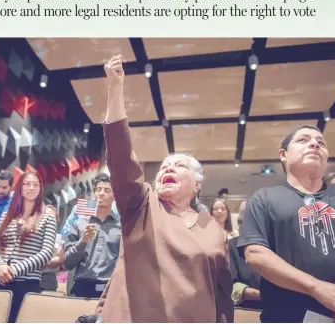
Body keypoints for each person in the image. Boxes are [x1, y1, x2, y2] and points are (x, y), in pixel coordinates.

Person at [96, 55, 233, 322]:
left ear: (197, 183)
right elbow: (121, 158)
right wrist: (115, 89)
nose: (167, 169)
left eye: (178, 165)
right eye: (164, 166)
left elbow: (222, 291)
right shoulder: (142, 204)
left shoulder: (213, 227)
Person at [237, 124, 335, 323]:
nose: (315, 145)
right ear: (283, 154)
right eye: (303, 140)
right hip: (287, 316)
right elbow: (255, 253)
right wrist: (318, 288)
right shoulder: (264, 198)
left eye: (320, 143)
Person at [0, 171, 57, 323]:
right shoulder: (7, 214)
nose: (31, 188)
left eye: (35, 185)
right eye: (27, 184)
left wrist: (14, 270)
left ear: (40, 188)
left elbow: (46, 252)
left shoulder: (47, 217)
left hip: (26, 283)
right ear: (20, 187)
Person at [64, 173, 121, 298]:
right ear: (94, 194)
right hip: (81, 289)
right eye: (98, 190)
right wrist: (83, 241)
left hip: (110, 291)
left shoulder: (121, 228)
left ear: (114, 196)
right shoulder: (79, 223)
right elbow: (67, 263)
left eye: (107, 190)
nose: (101, 193)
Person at [229, 201, 262, 310]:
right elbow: (232, 287)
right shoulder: (233, 245)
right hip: (246, 311)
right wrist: (264, 296)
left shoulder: (274, 245)